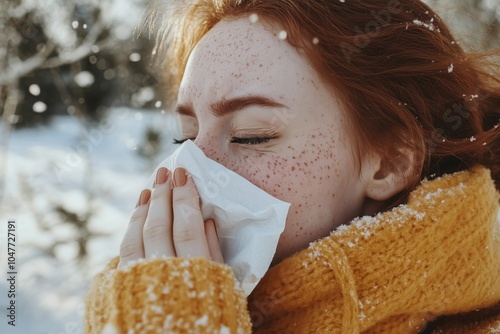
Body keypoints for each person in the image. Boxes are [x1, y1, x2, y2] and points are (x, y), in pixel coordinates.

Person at [85, 0, 500, 332]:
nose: (192, 173)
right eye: (186, 138)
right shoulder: (132, 303)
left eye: (252, 135)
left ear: (389, 163)